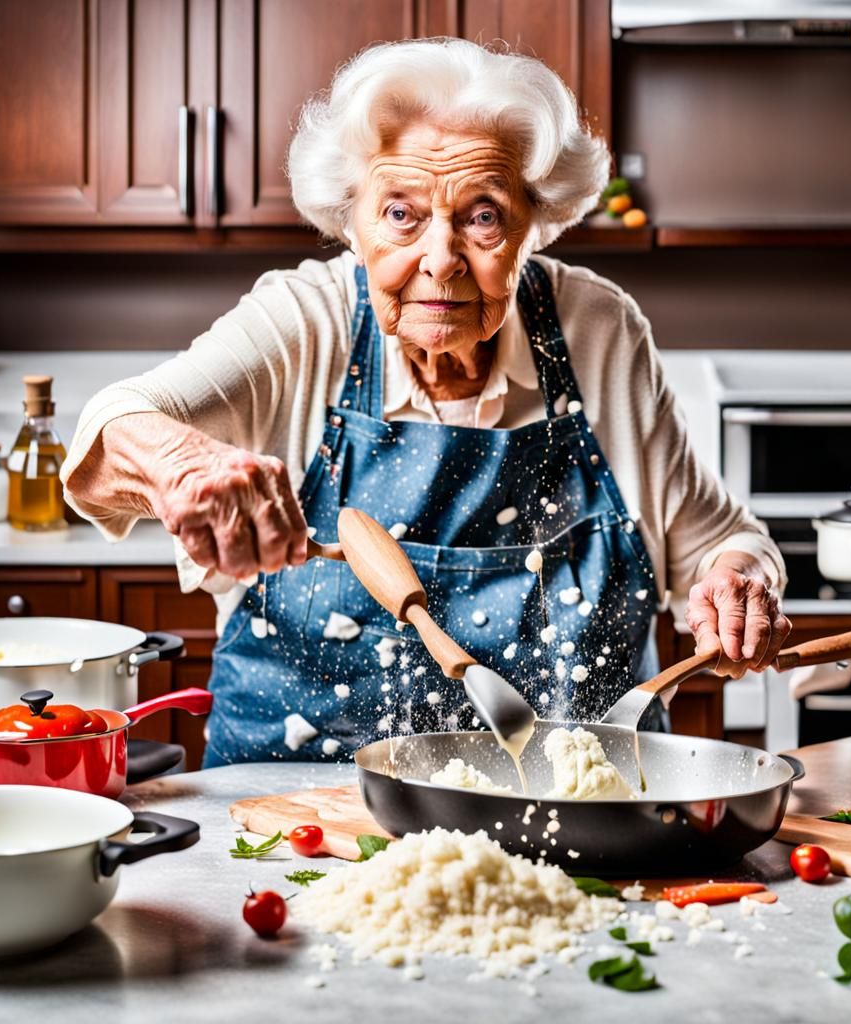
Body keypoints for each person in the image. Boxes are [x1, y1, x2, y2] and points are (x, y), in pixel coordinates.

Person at [62, 38, 791, 765]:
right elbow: (104, 438)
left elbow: (719, 543)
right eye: (402, 215)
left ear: (533, 226)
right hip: (297, 832)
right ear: (353, 223)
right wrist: (185, 466)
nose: (441, 259)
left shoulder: (598, 328)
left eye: (482, 216)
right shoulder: (302, 321)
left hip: (584, 818)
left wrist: (738, 587)